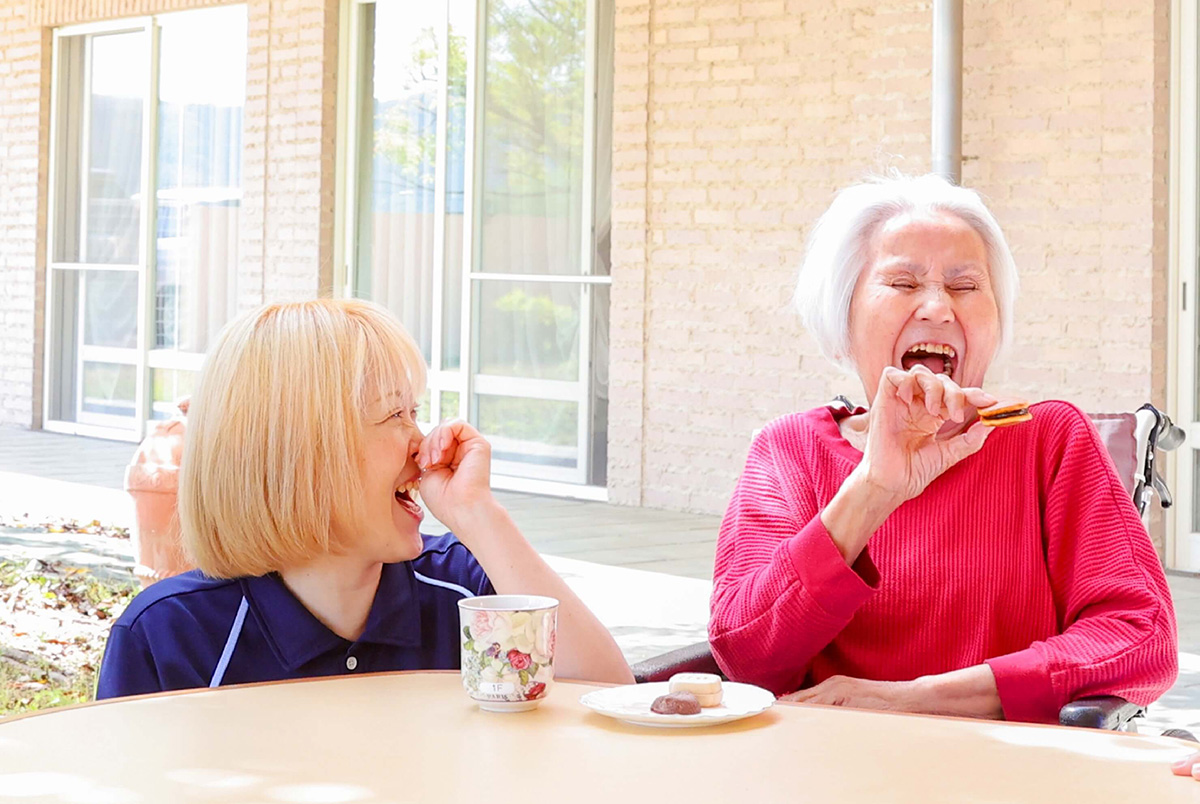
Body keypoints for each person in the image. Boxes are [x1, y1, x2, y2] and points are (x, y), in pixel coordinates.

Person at [708, 173, 1177, 724]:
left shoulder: (1049, 440)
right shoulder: (788, 452)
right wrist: (873, 489)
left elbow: (1140, 637)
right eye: (903, 284)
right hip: (833, 764)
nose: (937, 308)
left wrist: (915, 701)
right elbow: (744, 657)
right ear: (843, 316)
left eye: (966, 286)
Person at [97, 299, 633, 698]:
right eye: (394, 415)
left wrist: (480, 516)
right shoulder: (169, 636)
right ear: (300, 453)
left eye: (415, 412)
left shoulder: (463, 590)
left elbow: (605, 694)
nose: (423, 444)